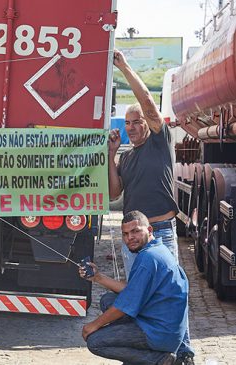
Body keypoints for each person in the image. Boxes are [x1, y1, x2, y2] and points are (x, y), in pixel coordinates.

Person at [108, 49, 194, 364]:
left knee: (172, 296)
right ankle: (146, 354)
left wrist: (124, 66)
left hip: (161, 234)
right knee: (136, 296)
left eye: (137, 121)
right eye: (127, 123)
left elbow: (145, 99)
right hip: (133, 239)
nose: (131, 127)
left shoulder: (161, 141)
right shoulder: (128, 155)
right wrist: (111, 156)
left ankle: (184, 352)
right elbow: (115, 191)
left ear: (149, 121)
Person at [80, 211, 189, 365]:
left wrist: (93, 325)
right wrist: (98, 277)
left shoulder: (149, 259)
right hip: (163, 326)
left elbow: (125, 306)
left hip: (159, 333)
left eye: (135, 231)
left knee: (96, 341)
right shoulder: (156, 249)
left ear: (149, 230)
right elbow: (130, 289)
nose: (129, 238)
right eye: (125, 234)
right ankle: (136, 357)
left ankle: (161, 360)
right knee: (108, 300)